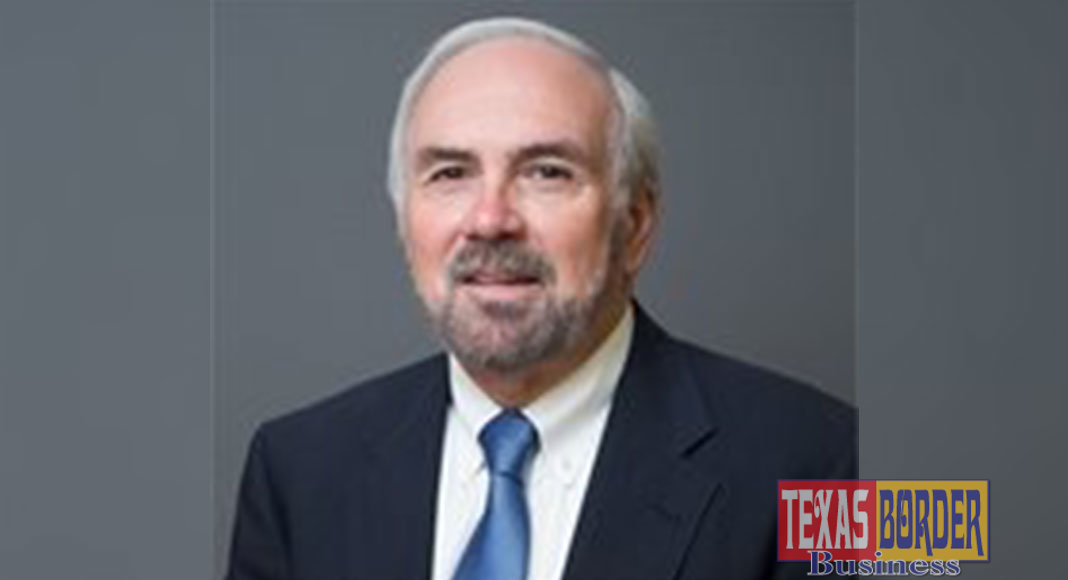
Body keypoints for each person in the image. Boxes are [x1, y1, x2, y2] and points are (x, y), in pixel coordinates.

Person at [226, 16, 856, 580]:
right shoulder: (295, 471)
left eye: (546, 172)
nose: (490, 219)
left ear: (635, 225)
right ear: (403, 220)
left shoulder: (839, 463)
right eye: (450, 173)